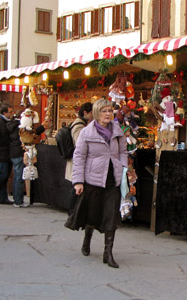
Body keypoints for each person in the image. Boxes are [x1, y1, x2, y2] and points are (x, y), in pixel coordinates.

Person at [65, 99, 127, 268]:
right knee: (92, 214)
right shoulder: (87, 132)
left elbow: (123, 151)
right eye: (104, 111)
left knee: (111, 215)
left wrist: (123, 167)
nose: (108, 114)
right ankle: (87, 237)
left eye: (110, 111)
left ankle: (108, 252)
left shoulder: (117, 130)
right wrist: (78, 181)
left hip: (112, 179)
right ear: (97, 113)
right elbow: (79, 157)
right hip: (93, 179)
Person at [6, 110, 45, 208]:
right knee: (19, 176)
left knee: (17, 176)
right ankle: (18, 201)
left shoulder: (13, 125)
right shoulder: (22, 127)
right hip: (20, 152)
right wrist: (41, 128)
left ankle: (17, 199)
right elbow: (30, 136)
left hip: (13, 152)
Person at [64, 102, 93, 215]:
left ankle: (74, 212)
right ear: (85, 112)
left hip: (76, 162)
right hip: (76, 162)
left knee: (76, 188)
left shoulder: (81, 124)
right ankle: (72, 212)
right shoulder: (79, 125)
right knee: (76, 188)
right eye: (91, 113)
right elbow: (79, 143)